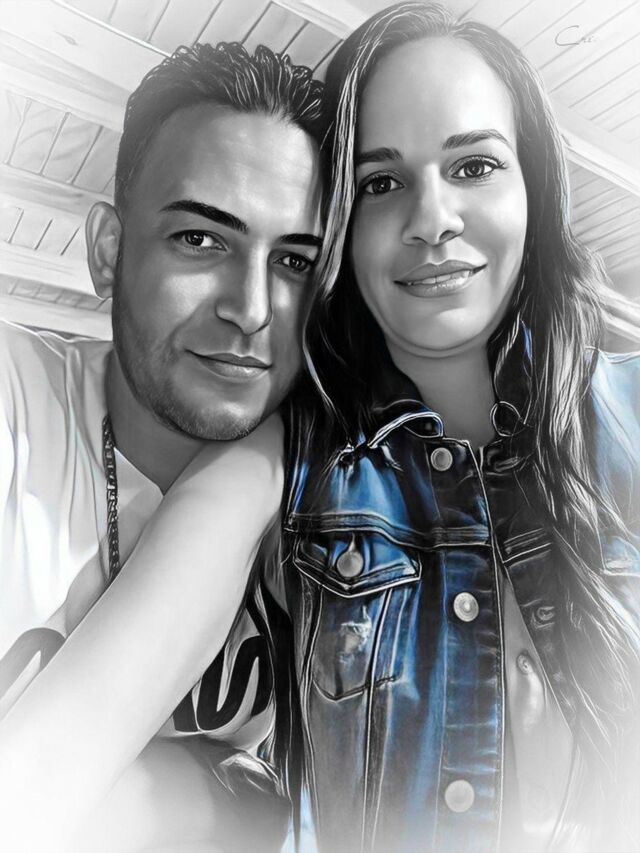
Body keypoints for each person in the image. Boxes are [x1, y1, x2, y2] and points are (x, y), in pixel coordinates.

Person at [1, 4, 639, 853]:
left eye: (476, 165)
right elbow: (51, 764)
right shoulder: (280, 461)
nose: (433, 218)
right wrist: (215, 798)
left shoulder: (618, 413)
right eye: (380, 182)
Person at [0, 40, 323, 852]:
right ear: (107, 252)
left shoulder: (334, 506)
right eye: (201, 240)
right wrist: (209, 793)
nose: (252, 308)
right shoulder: (16, 399)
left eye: (293, 261)